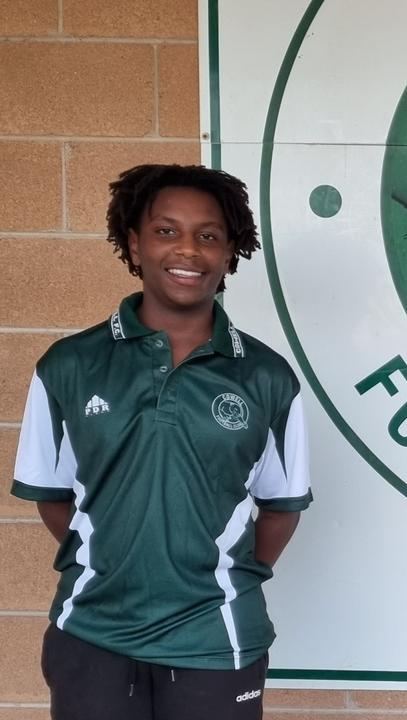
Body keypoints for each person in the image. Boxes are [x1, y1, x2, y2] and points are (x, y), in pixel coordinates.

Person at [11, 164, 311, 720]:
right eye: (166, 230)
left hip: (217, 637)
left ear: (229, 252)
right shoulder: (69, 365)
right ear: (134, 242)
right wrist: (119, 557)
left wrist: (217, 574)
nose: (188, 250)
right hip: (93, 631)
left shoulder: (268, 377)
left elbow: (280, 510)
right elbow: (53, 497)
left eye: (209, 235)